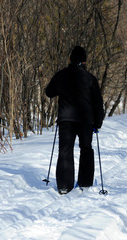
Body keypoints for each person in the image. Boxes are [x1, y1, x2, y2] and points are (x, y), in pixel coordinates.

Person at [46, 46, 104, 195]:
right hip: (86, 120)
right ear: (84, 61)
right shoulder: (90, 79)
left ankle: (64, 186)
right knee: (86, 149)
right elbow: (98, 103)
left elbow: (49, 92)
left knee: (65, 150)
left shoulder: (61, 75)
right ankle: (85, 183)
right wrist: (98, 122)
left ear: (70, 59)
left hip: (66, 119)